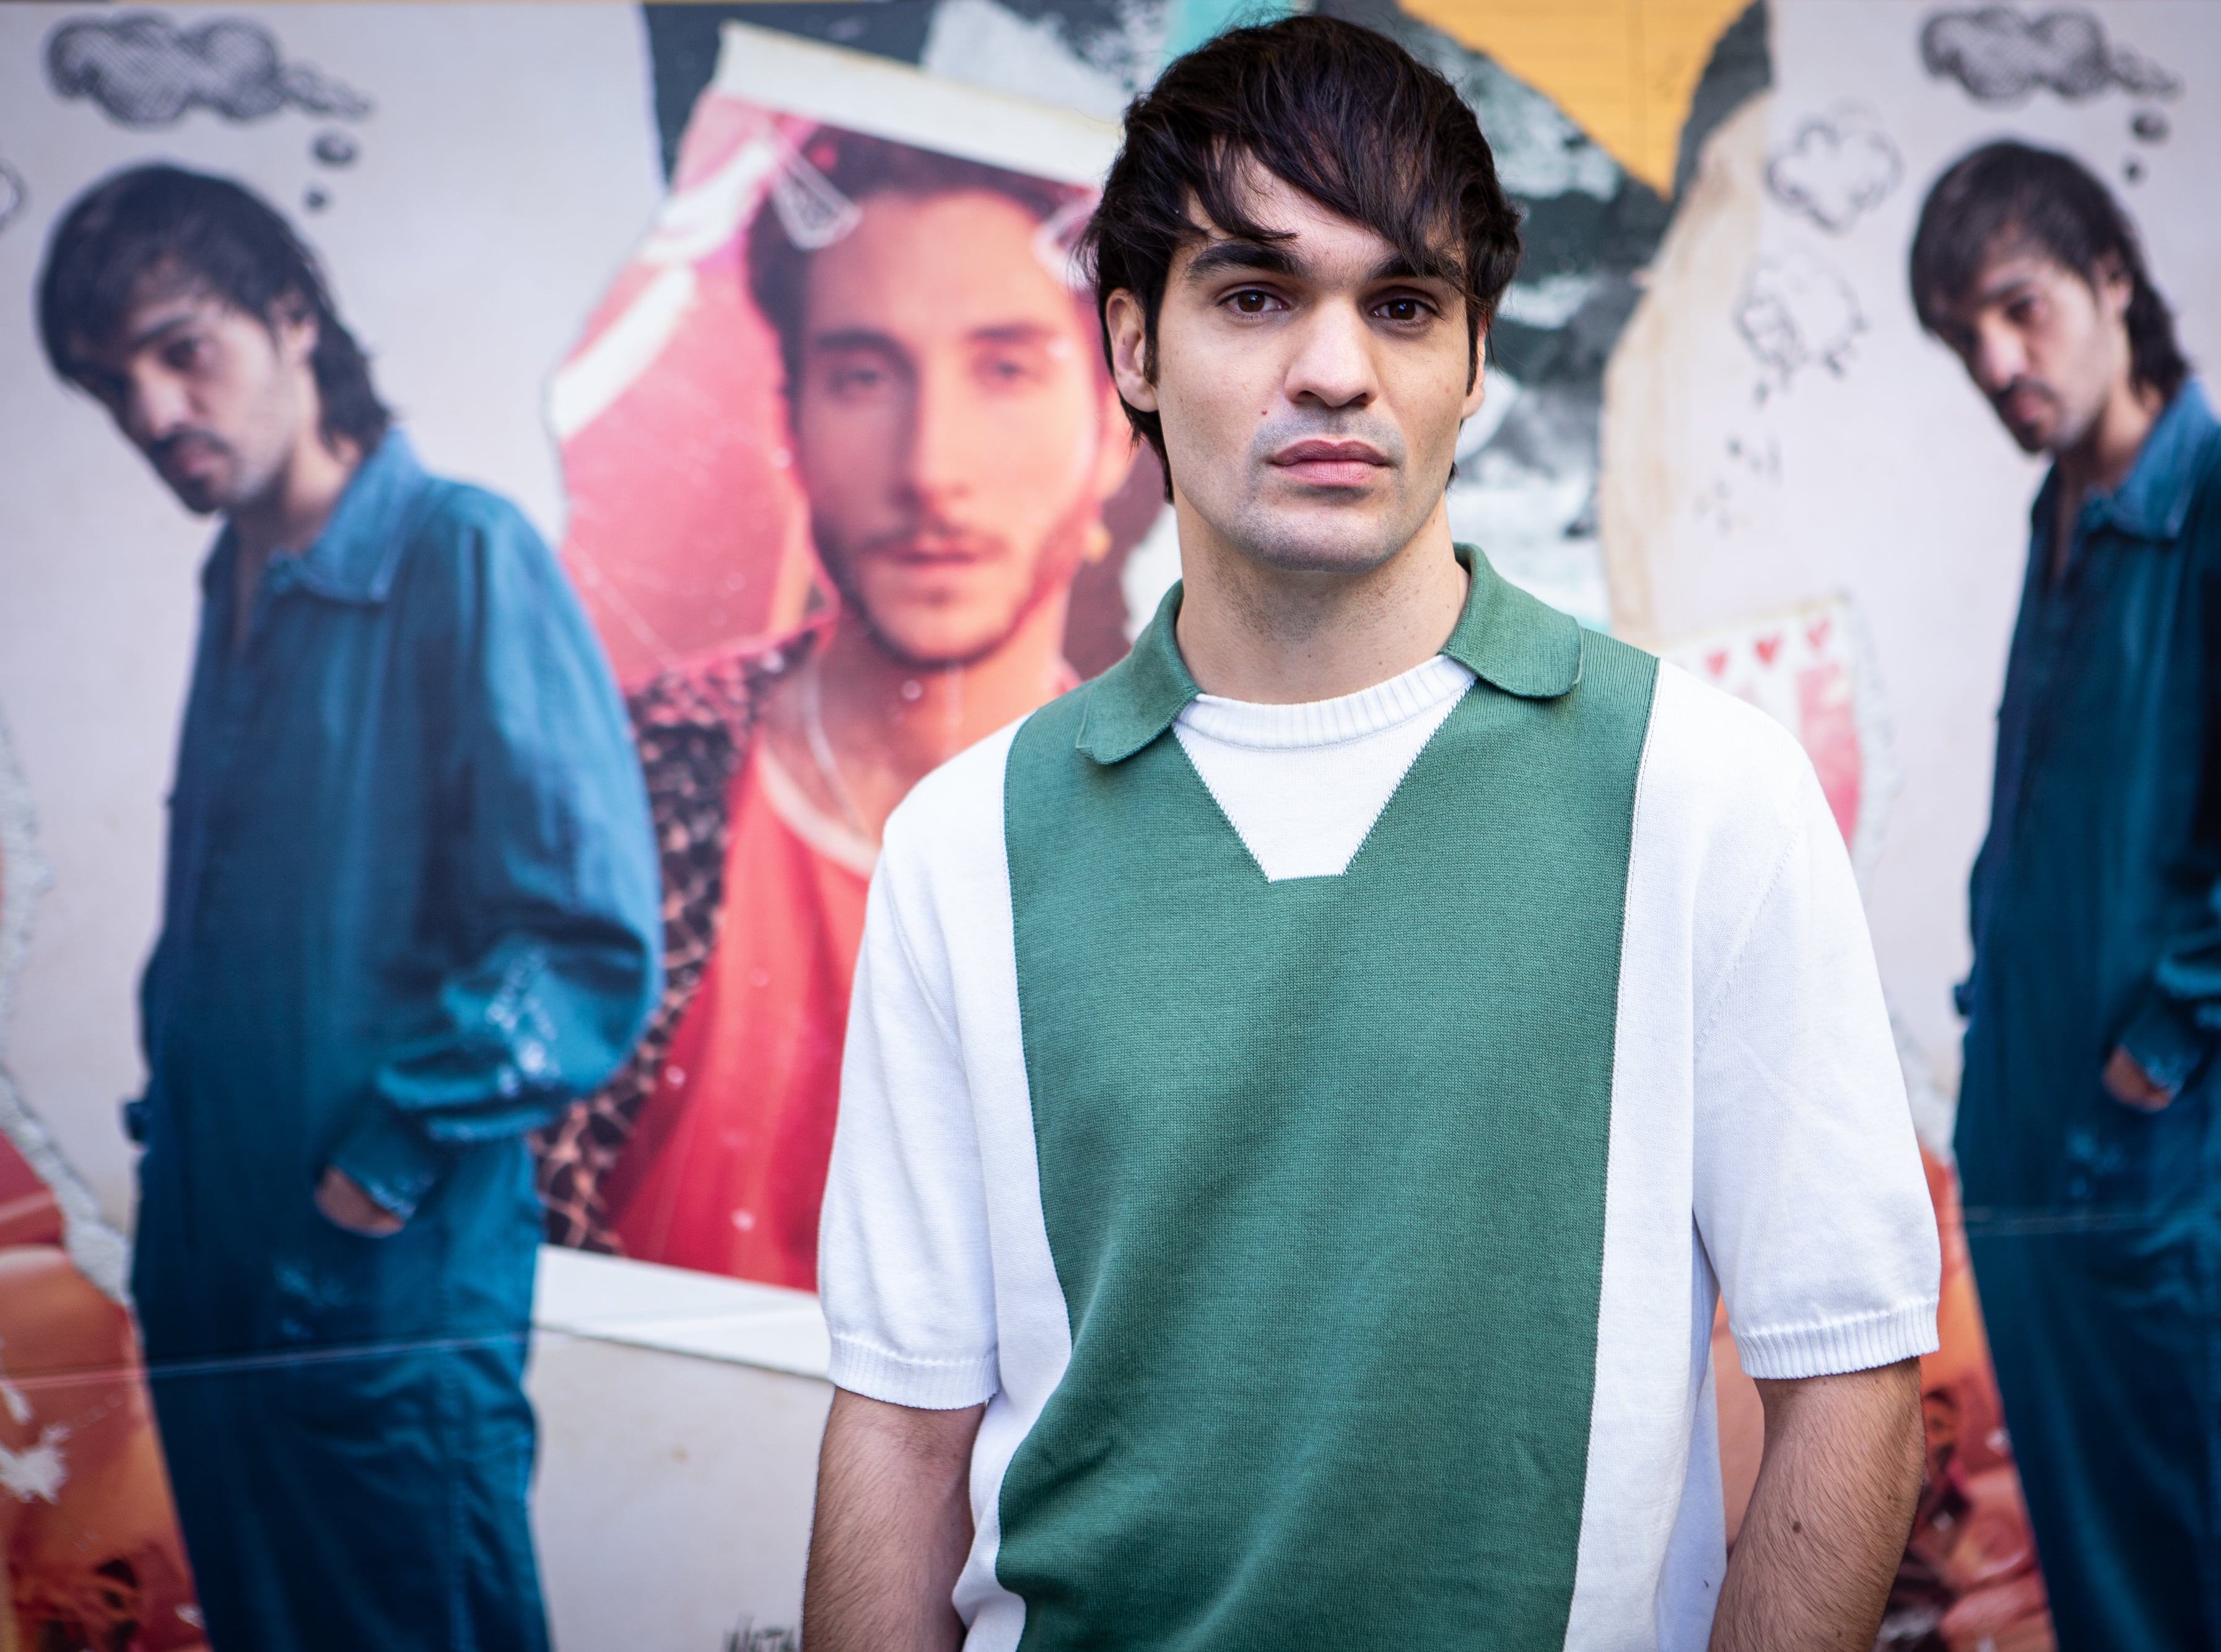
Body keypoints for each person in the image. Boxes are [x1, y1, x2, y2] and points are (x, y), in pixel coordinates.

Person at [805, 19, 1942, 1650]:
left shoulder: (1705, 794)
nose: (1334, 367)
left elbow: (1847, 1376)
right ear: (1129, 345)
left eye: (1402, 304)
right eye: (1256, 294)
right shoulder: (963, 846)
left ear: (1473, 360)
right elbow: (899, 1439)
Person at [37, 165, 661, 1651]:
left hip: (379, 1294)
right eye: (112, 382)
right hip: (213, 1284)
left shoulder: (462, 552)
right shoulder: (232, 576)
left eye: (183, 349)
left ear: (292, 315)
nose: (153, 410)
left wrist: (366, 1177)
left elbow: (585, 940)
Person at [1911, 142, 2221, 1650]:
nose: (1996, 362)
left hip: (2150, 1175)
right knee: (2099, 1607)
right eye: (1962, 338)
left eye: (2017, 308)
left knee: (2209, 1593)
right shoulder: (2056, 521)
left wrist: (2154, 1043)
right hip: (2020, 1174)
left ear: (2109, 278)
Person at [536, 134, 1138, 1287]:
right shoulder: (615, 777)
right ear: (792, 424)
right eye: (864, 375)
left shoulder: (1178, 875)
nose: (931, 466)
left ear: (1115, 426)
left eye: (1006, 369)